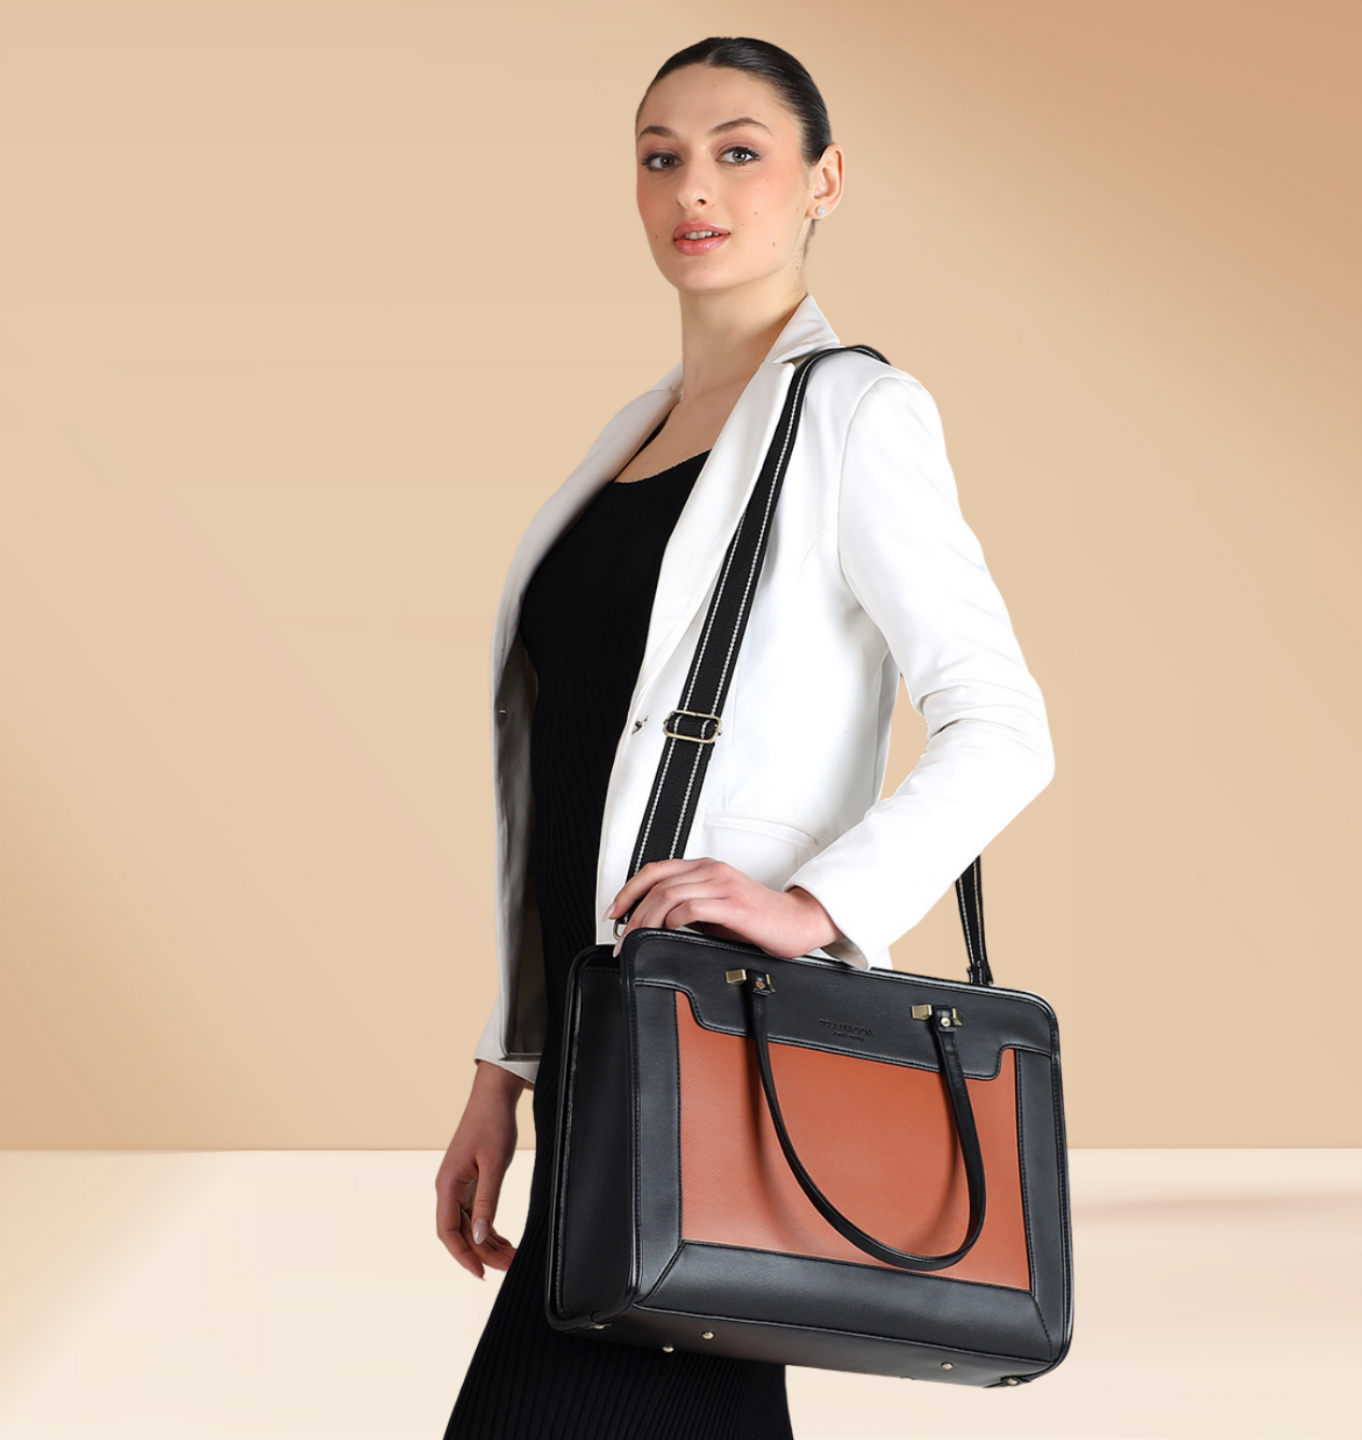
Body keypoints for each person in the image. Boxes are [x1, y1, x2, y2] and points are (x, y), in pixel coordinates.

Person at [435, 36, 1055, 1439]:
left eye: (739, 152)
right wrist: (505, 1069)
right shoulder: (632, 436)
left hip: (713, 1043)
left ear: (823, 181)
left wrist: (816, 905)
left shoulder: (854, 413)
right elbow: (577, 782)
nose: (694, 188)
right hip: (601, 1050)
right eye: (661, 157)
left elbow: (1004, 726)